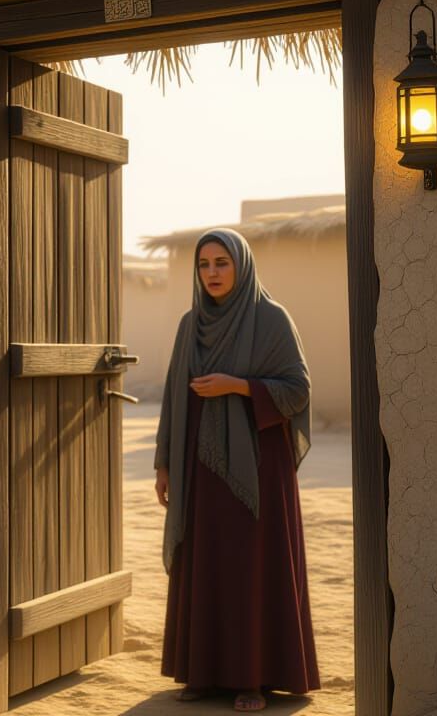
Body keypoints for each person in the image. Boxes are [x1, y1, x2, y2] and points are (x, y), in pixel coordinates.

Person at [154, 228, 319, 711]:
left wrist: (238, 386)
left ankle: (254, 679)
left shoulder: (270, 319)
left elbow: (298, 389)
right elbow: (172, 396)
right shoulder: (192, 323)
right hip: (198, 470)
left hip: (259, 467)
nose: (212, 274)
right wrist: (165, 464)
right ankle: (203, 674)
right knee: (206, 563)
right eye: (204, 265)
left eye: (221, 263)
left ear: (241, 265)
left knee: (251, 566)